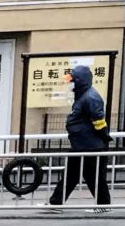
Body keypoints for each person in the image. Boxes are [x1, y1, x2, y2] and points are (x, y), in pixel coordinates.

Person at [48, 63, 111, 207]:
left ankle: (104, 205)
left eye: (73, 80)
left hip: (90, 146)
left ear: (80, 81)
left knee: (91, 177)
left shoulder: (90, 98)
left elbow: (99, 121)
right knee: (75, 175)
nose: (70, 84)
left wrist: (104, 137)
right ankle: (56, 202)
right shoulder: (84, 95)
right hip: (82, 144)